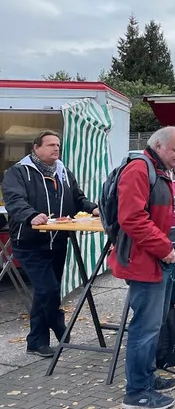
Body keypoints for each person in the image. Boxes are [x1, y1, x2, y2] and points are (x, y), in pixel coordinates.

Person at [109, 126, 175, 409]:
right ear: (158, 146)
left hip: (166, 259)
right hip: (149, 262)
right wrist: (164, 248)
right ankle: (136, 393)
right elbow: (132, 218)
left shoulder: (166, 169)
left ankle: (146, 378)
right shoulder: (138, 170)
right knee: (144, 328)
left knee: (155, 325)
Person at [0, 130, 98, 357]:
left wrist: (92, 207)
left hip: (59, 241)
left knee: (47, 293)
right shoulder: (19, 172)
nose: (56, 149)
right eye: (51, 145)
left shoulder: (62, 171)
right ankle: (58, 324)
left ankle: (36, 342)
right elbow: (15, 200)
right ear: (36, 148)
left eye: (58, 145)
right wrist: (31, 215)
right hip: (30, 242)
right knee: (48, 289)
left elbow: (77, 198)